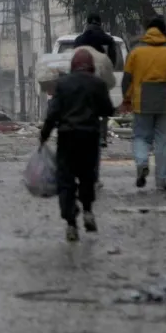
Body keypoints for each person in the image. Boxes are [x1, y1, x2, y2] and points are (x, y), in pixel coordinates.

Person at [41, 49, 115, 242]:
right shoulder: (98, 84)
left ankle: (71, 224)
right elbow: (108, 109)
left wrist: (44, 135)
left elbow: (53, 113)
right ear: (91, 65)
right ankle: (88, 211)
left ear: (72, 65)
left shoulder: (63, 84)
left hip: (67, 138)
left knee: (65, 180)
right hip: (90, 137)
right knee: (87, 176)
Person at [122, 16, 166, 192]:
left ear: (147, 31)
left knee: (141, 136)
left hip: (142, 100)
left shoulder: (136, 52)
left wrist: (127, 100)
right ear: (163, 32)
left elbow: (127, 79)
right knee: (165, 141)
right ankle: (161, 180)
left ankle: (142, 163)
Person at [72, 14, 119, 147]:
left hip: (80, 78)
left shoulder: (79, 40)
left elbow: (73, 59)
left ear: (87, 23)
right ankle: (102, 138)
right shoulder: (107, 39)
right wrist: (110, 68)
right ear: (100, 23)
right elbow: (112, 59)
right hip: (100, 78)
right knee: (103, 107)